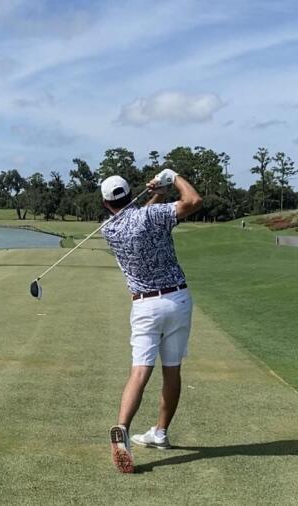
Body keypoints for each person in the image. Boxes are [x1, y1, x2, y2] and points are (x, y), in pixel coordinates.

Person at [99, 169, 203, 474]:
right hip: (177, 300)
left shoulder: (109, 229)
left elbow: (139, 219)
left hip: (144, 306)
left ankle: (123, 429)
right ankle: (160, 432)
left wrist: (157, 192)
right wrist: (173, 178)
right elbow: (194, 200)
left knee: (140, 371)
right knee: (172, 370)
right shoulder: (152, 217)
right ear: (132, 195)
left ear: (106, 204)